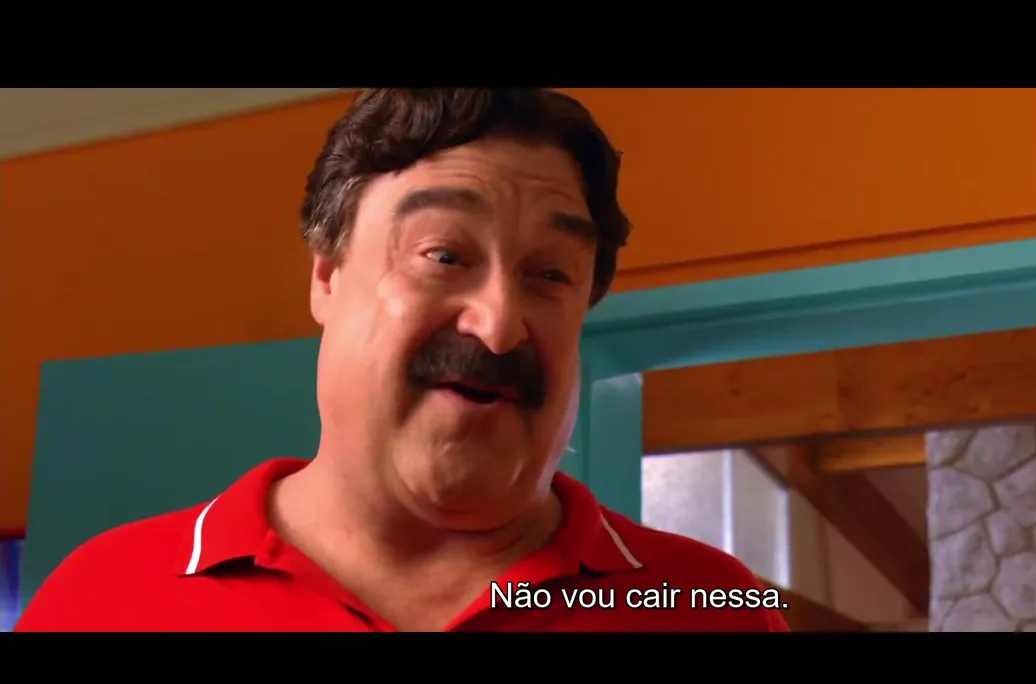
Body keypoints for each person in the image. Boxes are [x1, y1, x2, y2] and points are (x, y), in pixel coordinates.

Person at [15, 89, 791, 632]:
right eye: (444, 255)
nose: (498, 327)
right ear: (328, 277)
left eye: (551, 275)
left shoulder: (712, 608)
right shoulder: (102, 598)